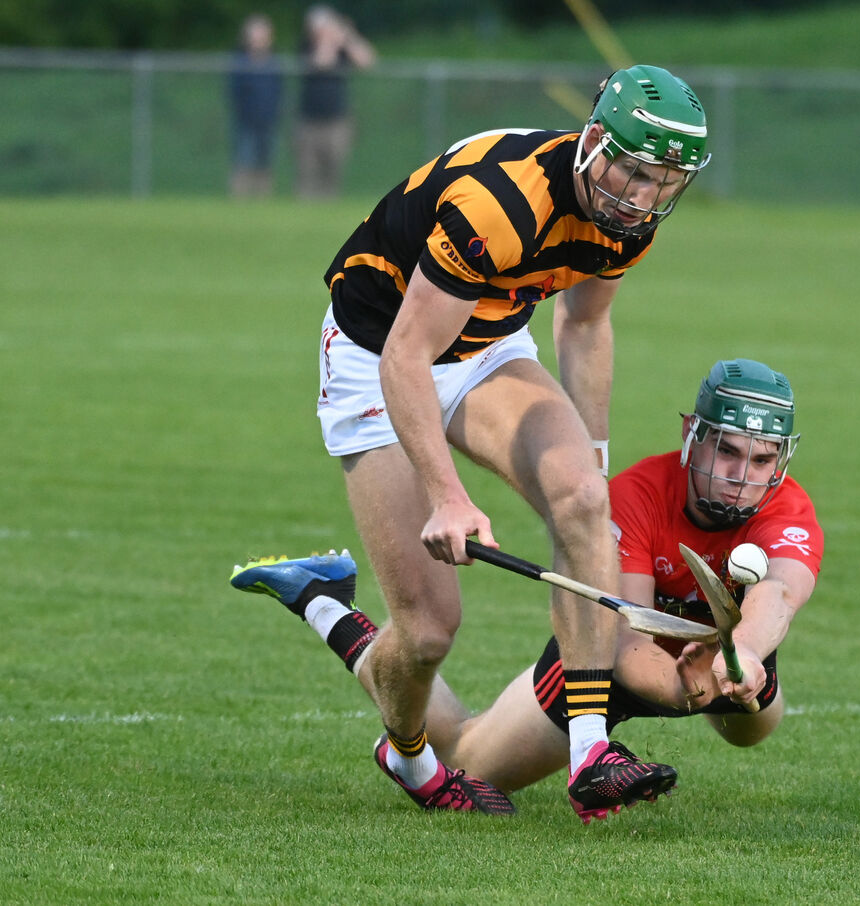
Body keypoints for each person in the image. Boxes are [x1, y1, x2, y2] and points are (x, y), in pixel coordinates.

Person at [240, 65, 711, 821]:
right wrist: (448, 497)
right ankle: (405, 745)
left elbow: (584, 324)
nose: (643, 196)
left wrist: (589, 472)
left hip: (487, 343)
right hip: (378, 353)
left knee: (585, 501)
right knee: (428, 632)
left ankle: (591, 750)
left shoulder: (630, 220)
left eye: (664, 182)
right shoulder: (498, 205)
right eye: (633, 171)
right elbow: (406, 356)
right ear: (594, 142)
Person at [232, 358, 822, 812]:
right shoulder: (640, 495)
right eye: (727, 450)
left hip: (714, 660)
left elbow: (781, 592)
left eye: (762, 459)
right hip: (606, 655)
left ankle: (727, 681)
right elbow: (619, 641)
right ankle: (323, 601)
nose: (739, 478)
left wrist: (740, 656)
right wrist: (683, 684)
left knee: (754, 729)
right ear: (694, 434)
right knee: (462, 757)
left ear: (782, 462)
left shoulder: (787, 510)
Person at [295, 5, 376, 198]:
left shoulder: (343, 47)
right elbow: (322, 62)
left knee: (334, 167)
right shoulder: (306, 46)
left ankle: (329, 203)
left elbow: (367, 61)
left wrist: (348, 36)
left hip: (337, 119)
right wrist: (330, 40)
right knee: (307, 169)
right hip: (309, 120)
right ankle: (305, 206)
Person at [228, 13, 284, 198]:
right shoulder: (239, 62)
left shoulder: (275, 63)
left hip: (268, 121)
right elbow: (233, 93)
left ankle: (262, 200)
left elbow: (279, 92)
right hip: (246, 121)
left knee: (265, 164)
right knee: (244, 162)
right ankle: (239, 199)